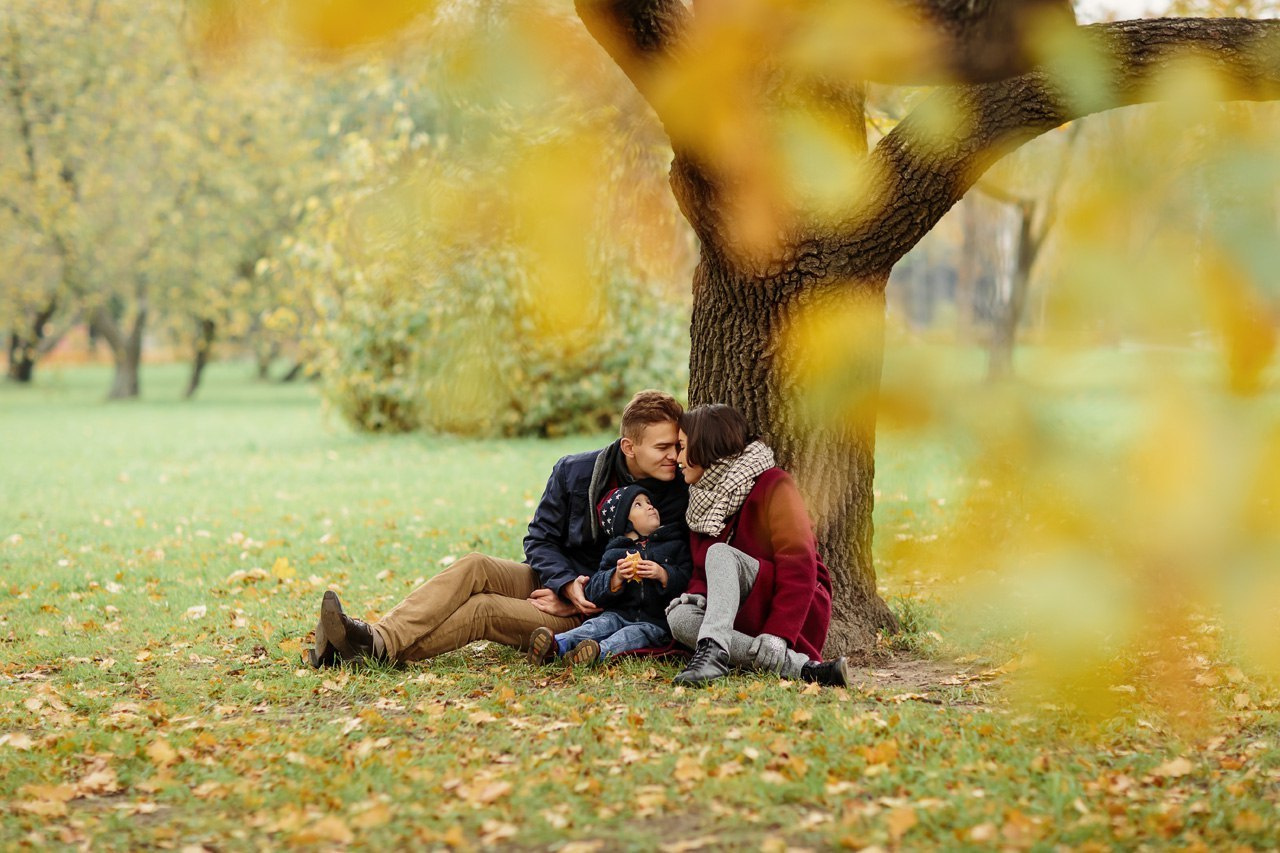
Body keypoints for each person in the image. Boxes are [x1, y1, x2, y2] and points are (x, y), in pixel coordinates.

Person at [306, 390, 688, 666]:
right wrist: (565, 583)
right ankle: (375, 640)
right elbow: (539, 539)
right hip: (558, 584)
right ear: (629, 446)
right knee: (475, 564)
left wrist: (577, 596)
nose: (674, 456)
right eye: (663, 447)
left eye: (676, 446)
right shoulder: (575, 471)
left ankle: (359, 647)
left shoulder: (672, 497)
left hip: (596, 611)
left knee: (483, 609)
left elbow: (650, 582)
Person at [665, 404, 849, 687]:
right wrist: (698, 595)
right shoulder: (702, 499)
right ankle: (803, 669)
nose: (677, 458)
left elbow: (799, 564)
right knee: (679, 617)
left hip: (790, 599)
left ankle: (712, 655)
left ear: (705, 445)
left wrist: (779, 632)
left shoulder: (774, 483)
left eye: (682, 447)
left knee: (719, 552)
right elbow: (703, 572)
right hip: (738, 609)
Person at [526, 484, 692, 666]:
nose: (649, 506)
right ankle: (556, 645)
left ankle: (597, 652)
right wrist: (616, 577)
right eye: (638, 505)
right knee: (596, 626)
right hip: (617, 614)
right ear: (623, 521)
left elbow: (686, 579)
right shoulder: (615, 552)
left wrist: (664, 575)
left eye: (649, 502)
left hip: (653, 623)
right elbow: (595, 591)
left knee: (628, 636)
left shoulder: (673, 544)